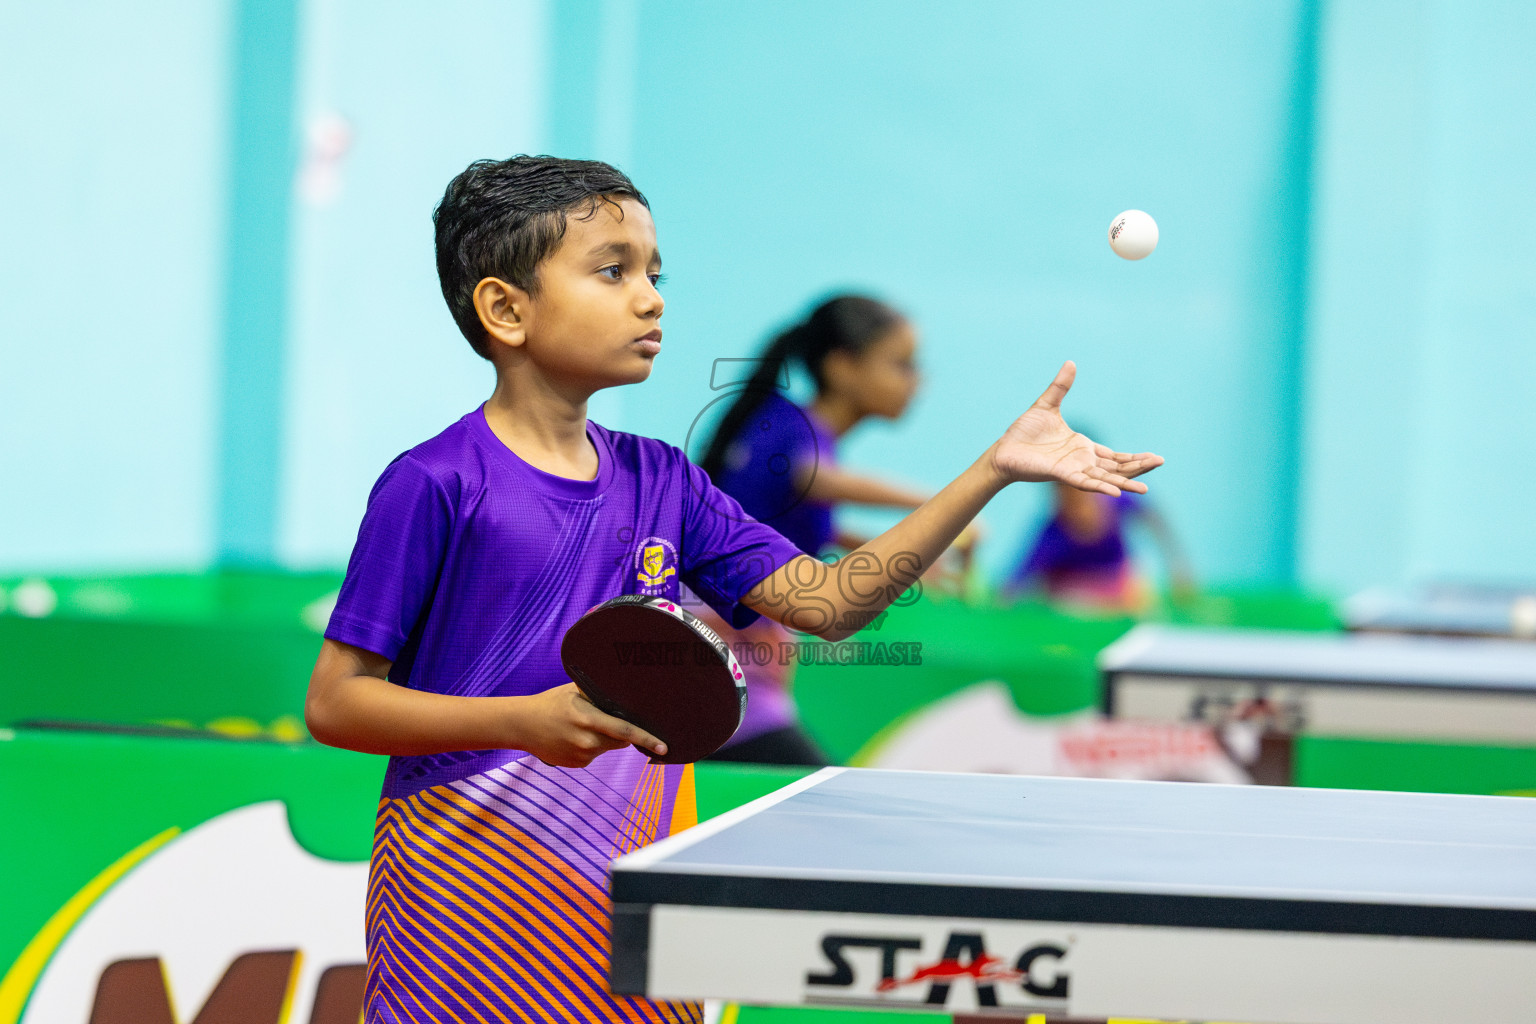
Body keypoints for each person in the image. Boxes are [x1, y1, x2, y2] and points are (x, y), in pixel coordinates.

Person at [304, 155, 1163, 1023]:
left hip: (627, 918)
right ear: (505, 309)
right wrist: (519, 722)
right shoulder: (437, 483)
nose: (651, 297)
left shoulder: (664, 481)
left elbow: (831, 604)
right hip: (461, 927)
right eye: (613, 270)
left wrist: (992, 470)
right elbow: (338, 704)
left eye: (653, 272)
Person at [693, 294, 959, 765]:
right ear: (842, 368)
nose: (916, 380)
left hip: (746, 679)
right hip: (712, 675)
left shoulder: (798, 432)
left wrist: (913, 555)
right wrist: (950, 504)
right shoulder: (793, 427)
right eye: (900, 364)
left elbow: (803, 523)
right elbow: (813, 478)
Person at [1003, 479, 1192, 612]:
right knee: (1070, 602)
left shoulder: (1116, 502)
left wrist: (1178, 567)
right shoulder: (1053, 535)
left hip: (1120, 586)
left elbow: (1153, 519)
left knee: (1141, 589)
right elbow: (1016, 581)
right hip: (1078, 596)